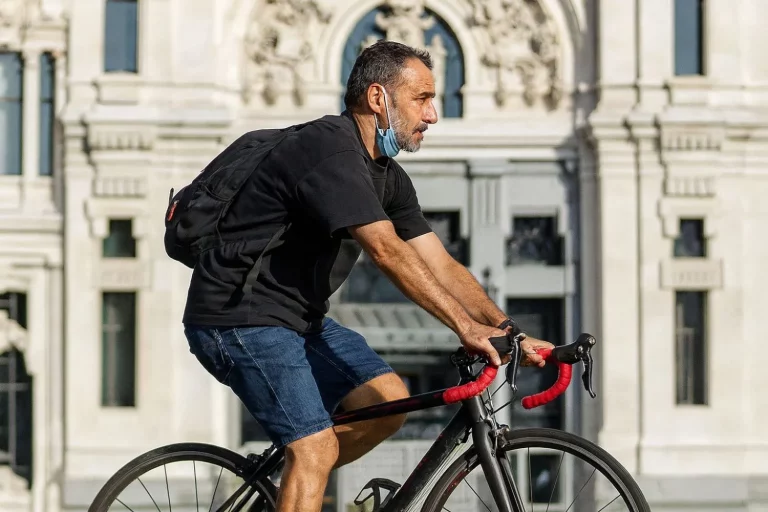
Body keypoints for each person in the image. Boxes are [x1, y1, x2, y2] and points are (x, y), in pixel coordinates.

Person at [182, 40, 555, 512]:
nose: (433, 114)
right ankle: (303, 472)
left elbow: (440, 264)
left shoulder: (387, 176)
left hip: (296, 320)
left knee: (388, 403)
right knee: (313, 447)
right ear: (379, 98)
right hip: (238, 318)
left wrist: (508, 330)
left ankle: (290, 494)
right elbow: (385, 250)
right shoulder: (328, 150)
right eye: (422, 98)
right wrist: (464, 326)